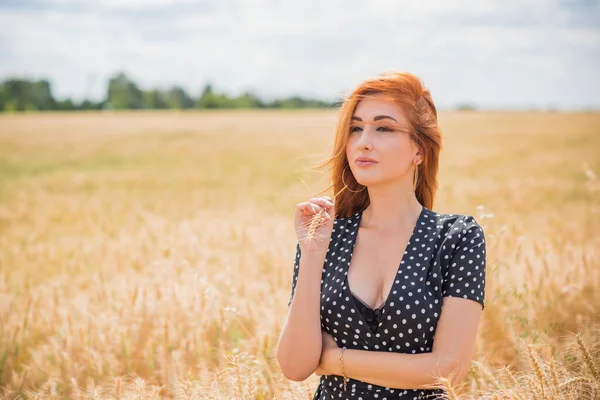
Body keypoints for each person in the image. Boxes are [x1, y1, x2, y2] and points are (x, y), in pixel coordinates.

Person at [276, 71, 486, 399]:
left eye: (384, 127)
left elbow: (448, 370)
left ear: (420, 149)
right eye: (355, 128)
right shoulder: (325, 236)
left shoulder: (456, 238)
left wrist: (333, 359)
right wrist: (313, 254)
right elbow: (294, 366)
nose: (363, 142)